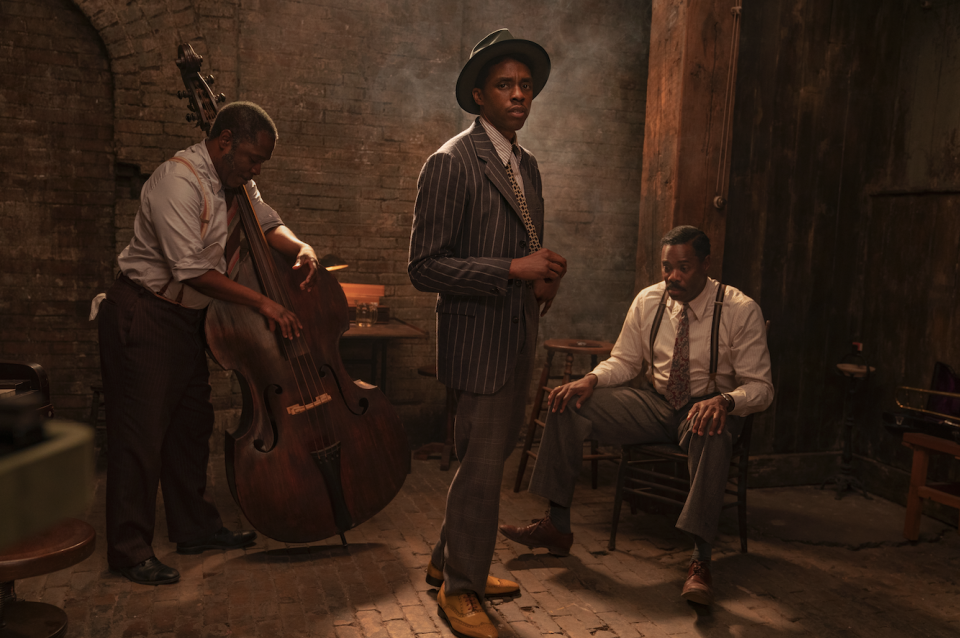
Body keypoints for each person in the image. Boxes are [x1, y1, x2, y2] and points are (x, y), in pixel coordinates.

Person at [98, 102, 321, 586]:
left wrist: (301, 247)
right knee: (140, 439)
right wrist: (264, 304)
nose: (257, 170)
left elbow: (265, 222)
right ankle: (128, 550)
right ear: (224, 142)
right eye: (253, 159)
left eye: (262, 162)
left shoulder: (236, 181)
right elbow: (193, 270)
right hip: (145, 312)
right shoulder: (177, 181)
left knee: (190, 426)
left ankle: (194, 528)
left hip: (184, 320)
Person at [499, 225, 773, 606]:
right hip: (657, 405)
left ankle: (701, 560)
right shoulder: (649, 300)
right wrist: (591, 379)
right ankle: (557, 526)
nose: (672, 276)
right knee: (567, 402)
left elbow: (761, 387)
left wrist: (725, 401)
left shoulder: (739, 309)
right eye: (666, 267)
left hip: (709, 411)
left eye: (683, 267)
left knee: (709, 428)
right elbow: (626, 361)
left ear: (706, 264)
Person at [408, 29, 566, 638]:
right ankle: (463, 590)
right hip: (477, 341)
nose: (520, 93)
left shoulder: (524, 163)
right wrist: (511, 271)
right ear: (478, 95)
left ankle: (449, 560)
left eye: (526, 84)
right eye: (505, 84)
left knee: (486, 457)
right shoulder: (450, 162)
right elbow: (425, 267)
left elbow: (524, 247)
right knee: (481, 465)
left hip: (516, 330)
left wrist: (542, 275)